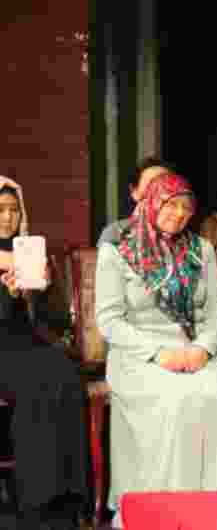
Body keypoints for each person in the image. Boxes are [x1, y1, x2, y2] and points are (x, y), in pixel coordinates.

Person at [95, 172, 217, 528]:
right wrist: (158, 354)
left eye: (186, 208)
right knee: (174, 399)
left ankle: (209, 513)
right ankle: (158, 511)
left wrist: (203, 348)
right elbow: (109, 320)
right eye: (170, 205)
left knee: (211, 391)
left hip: (193, 350)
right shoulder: (118, 251)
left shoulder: (200, 249)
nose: (179, 214)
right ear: (151, 203)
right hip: (139, 353)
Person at [0, 176, 86, 529]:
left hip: (30, 342)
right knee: (36, 382)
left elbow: (56, 320)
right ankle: (36, 497)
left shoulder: (30, 252)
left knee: (63, 372)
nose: (8, 218)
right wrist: (8, 295)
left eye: (14, 210)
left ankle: (70, 494)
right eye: (0, 210)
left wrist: (44, 288)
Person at [96, 156, 175, 246]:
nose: (160, 190)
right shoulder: (115, 233)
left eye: (167, 183)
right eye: (152, 183)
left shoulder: (185, 233)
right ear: (134, 192)